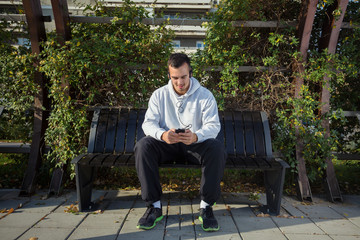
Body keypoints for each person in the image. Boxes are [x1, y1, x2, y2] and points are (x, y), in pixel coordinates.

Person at [134, 53, 226, 232]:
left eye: (183, 77)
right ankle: (154, 206)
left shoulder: (205, 96)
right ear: (169, 76)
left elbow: (213, 126)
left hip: (194, 145)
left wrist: (196, 136)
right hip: (167, 144)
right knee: (143, 146)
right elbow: (148, 124)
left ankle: (206, 206)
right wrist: (162, 135)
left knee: (216, 148)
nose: (180, 82)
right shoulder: (159, 95)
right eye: (175, 78)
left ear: (190, 73)